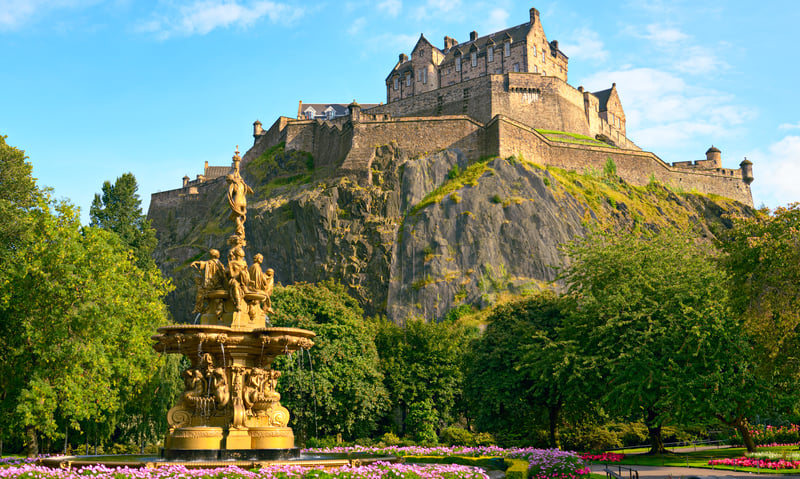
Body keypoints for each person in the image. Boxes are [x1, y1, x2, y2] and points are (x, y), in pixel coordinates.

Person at [190, 249, 225, 313]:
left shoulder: (216, 263)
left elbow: (222, 274)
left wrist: (196, 262)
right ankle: (199, 308)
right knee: (200, 291)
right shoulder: (212, 262)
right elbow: (204, 263)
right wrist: (196, 262)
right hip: (212, 283)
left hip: (215, 284)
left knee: (200, 292)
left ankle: (198, 308)